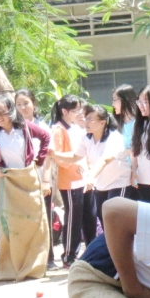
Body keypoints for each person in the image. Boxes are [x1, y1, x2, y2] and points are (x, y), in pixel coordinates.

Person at [0, 93, 52, 281]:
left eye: (3, 112)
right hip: (8, 182)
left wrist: (39, 160)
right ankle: (11, 268)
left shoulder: (25, 128)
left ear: (11, 111)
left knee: (35, 223)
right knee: (11, 226)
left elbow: (46, 137)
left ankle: (34, 267)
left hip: (28, 178)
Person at [16, 89, 58, 269]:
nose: (22, 107)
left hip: (41, 180)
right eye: (18, 104)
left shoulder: (43, 127)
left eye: (26, 103)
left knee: (44, 219)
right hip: (20, 182)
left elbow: (48, 157)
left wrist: (46, 181)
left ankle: (48, 259)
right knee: (24, 220)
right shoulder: (14, 128)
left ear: (34, 104)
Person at [50, 95, 91, 267]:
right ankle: (68, 254)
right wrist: (76, 165)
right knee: (73, 218)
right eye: (75, 110)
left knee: (88, 217)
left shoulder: (75, 128)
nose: (79, 113)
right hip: (70, 181)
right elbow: (57, 157)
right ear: (64, 111)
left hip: (84, 179)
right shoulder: (58, 130)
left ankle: (88, 251)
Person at [84, 105, 131, 227]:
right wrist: (53, 154)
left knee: (115, 218)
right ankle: (110, 246)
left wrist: (90, 177)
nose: (86, 122)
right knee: (104, 218)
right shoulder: (86, 138)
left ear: (102, 123)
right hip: (101, 184)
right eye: (86, 118)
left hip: (119, 182)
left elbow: (104, 160)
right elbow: (75, 156)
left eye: (91, 119)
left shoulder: (114, 138)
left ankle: (124, 246)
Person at [112, 84, 138, 200]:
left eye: (115, 100)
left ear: (125, 100)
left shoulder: (138, 124)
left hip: (137, 176)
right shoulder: (117, 125)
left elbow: (136, 151)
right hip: (121, 176)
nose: (113, 104)